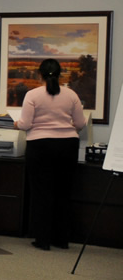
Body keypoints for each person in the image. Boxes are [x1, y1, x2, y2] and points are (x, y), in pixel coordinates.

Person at [16, 58, 87, 250]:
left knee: (41, 193)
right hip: (67, 146)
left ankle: (43, 240)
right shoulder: (71, 94)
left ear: (40, 75)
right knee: (63, 192)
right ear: (60, 74)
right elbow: (80, 124)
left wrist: (16, 124)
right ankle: (61, 240)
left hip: (40, 146)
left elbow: (25, 124)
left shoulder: (33, 95)